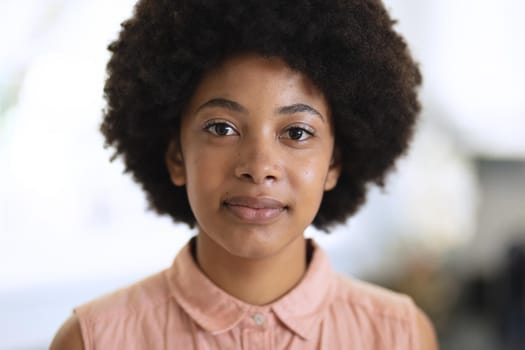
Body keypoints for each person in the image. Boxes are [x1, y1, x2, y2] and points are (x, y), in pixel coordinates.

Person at [51, 0, 438, 348]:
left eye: (296, 132)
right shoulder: (92, 340)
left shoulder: (399, 335)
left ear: (333, 164)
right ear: (176, 157)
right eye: (222, 128)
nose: (258, 167)